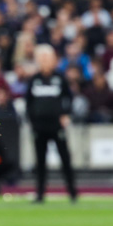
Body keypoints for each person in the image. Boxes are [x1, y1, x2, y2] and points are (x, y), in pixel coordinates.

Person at [26, 45, 78, 203]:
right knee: (40, 162)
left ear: (54, 60)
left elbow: (69, 98)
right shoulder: (34, 80)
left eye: (47, 58)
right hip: (39, 126)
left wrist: (66, 114)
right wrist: (32, 121)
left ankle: (72, 193)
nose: (44, 61)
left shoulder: (60, 78)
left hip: (56, 125)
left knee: (65, 159)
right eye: (41, 58)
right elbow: (28, 102)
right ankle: (40, 194)